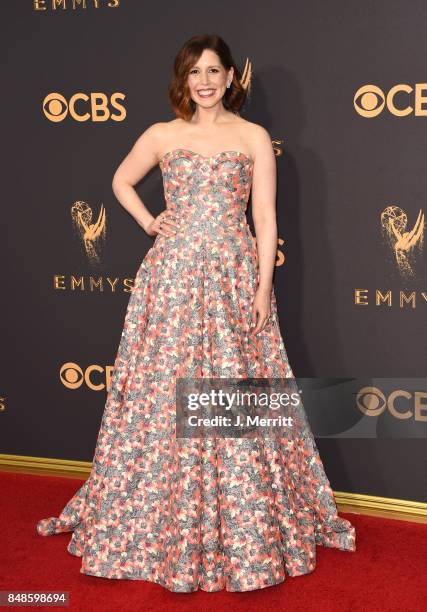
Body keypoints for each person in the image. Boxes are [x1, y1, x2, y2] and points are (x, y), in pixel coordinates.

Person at [36, 33, 355, 593]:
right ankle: (160, 522)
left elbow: (266, 220)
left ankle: (245, 524)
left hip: (234, 279)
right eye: (194, 72)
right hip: (173, 280)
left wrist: (262, 288)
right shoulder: (163, 134)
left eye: (213, 70)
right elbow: (120, 181)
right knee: (166, 393)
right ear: (184, 80)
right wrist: (148, 221)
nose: (204, 81)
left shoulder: (253, 137)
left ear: (232, 78)